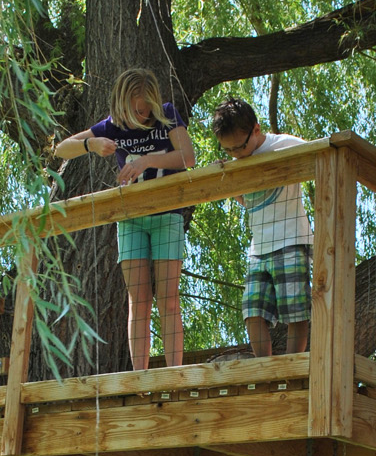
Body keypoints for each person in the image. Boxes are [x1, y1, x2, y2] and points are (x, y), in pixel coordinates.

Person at [55, 69, 195, 370]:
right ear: (122, 104)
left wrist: (147, 160)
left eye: (146, 109)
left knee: (169, 300)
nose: (141, 115)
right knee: (138, 303)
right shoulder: (112, 126)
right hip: (130, 221)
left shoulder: (167, 115)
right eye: (135, 110)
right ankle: (141, 380)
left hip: (167, 215)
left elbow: (188, 157)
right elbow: (60, 149)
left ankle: (175, 375)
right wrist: (90, 145)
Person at [211, 98, 312, 357]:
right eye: (228, 150)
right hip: (259, 248)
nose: (235, 154)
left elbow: (320, 154)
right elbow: (248, 201)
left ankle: (291, 367)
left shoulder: (283, 145)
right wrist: (227, 182)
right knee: (252, 311)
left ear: (256, 130)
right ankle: (265, 369)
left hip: (290, 239)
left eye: (239, 147)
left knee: (295, 311)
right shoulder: (238, 160)